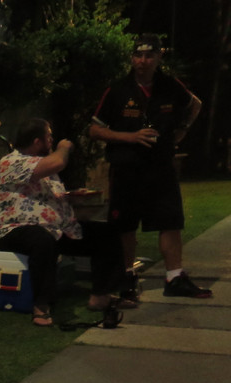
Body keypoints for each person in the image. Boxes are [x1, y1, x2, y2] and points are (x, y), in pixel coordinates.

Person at [88, 32, 207, 299]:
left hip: (161, 166)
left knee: (170, 220)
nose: (143, 61)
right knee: (125, 225)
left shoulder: (170, 85)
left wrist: (182, 130)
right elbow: (95, 130)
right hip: (126, 167)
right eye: (138, 55)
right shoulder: (118, 89)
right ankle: (126, 278)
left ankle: (174, 277)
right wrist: (129, 137)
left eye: (149, 55)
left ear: (158, 57)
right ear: (132, 58)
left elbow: (195, 104)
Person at [0, 118, 130, 326]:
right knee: (42, 240)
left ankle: (101, 294)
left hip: (55, 228)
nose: (52, 141)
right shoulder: (10, 162)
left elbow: (46, 197)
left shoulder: (43, 165)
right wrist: (64, 147)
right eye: (49, 136)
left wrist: (73, 199)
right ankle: (41, 305)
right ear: (37, 141)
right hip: (14, 229)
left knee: (106, 233)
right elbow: (58, 162)